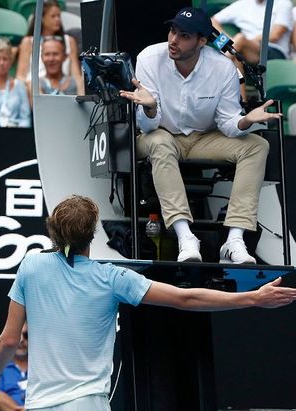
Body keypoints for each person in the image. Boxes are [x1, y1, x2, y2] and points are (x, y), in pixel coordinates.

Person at [0, 194, 296, 411]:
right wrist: (253, 298)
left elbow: (8, 341)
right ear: (92, 235)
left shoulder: (31, 266)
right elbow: (187, 298)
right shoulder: (112, 277)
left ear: (54, 233)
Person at [119, 7, 282, 264]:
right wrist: (150, 107)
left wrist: (245, 121)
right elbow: (148, 127)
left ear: (202, 41)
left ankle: (234, 240)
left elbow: (227, 124)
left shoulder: (223, 69)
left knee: (257, 145)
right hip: (158, 133)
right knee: (160, 143)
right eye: (173, 31)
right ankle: (186, 237)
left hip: (203, 138)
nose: (173, 40)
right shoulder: (149, 58)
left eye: (184, 35)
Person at [15, 0, 83, 85]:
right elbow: (20, 76)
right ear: (42, 18)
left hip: (63, 90)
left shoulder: (69, 41)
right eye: (53, 16)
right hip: (34, 89)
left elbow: (76, 75)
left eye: (58, 16)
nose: (57, 19)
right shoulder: (28, 42)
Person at [212, 0, 295, 62]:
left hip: (275, 52)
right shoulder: (242, 3)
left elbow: (275, 35)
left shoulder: (283, 3)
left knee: (240, 40)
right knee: (236, 60)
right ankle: (241, 85)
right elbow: (212, 21)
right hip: (244, 49)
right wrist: (228, 40)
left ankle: (215, 70)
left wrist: (242, 42)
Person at [27, 35, 84, 103]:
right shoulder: (35, 85)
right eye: (47, 54)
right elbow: (40, 109)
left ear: (65, 56)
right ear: (41, 58)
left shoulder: (79, 83)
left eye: (55, 54)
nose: (51, 59)